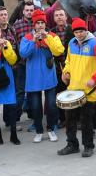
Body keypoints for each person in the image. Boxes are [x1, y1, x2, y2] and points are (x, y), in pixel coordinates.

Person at [58, 18, 96, 158]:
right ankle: (72, 144)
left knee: (86, 121)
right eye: (76, 32)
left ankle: (88, 146)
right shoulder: (71, 43)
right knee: (70, 120)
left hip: (89, 92)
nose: (79, 34)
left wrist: (95, 79)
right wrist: (66, 72)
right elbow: (68, 61)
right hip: (73, 90)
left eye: (81, 31)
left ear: (86, 30)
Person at [18, 9, 65, 142]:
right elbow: (23, 54)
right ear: (34, 24)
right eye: (37, 23)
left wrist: (47, 38)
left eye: (42, 23)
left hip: (49, 76)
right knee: (36, 106)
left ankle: (51, 129)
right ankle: (39, 131)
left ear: (45, 24)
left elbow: (59, 51)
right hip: (33, 78)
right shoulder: (27, 38)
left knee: (51, 105)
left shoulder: (52, 36)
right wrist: (33, 41)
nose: (40, 25)